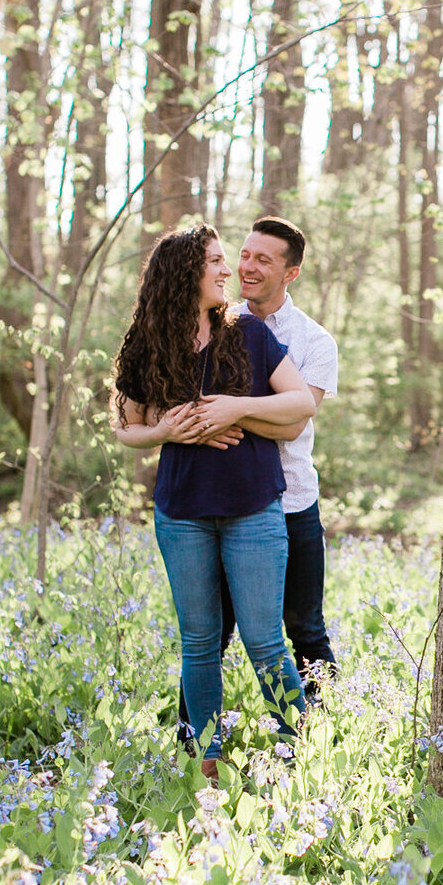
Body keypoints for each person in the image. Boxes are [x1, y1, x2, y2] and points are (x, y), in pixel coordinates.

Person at [113, 225, 315, 777]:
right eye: (216, 262)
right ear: (185, 273)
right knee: (199, 641)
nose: (228, 272)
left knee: (264, 640)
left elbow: (300, 402)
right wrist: (165, 434)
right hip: (182, 514)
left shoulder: (248, 334)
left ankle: (300, 755)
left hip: (253, 507)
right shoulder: (148, 343)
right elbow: (127, 428)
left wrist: (230, 407)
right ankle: (206, 760)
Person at [176, 214, 339, 714]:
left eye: (263, 260)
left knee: (304, 627)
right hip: (228, 502)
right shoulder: (211, 325)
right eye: (244, 254)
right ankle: (193, 738)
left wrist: (230, 412)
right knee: (211, 632)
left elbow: (293, 424)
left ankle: (329, 728)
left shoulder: (314, 342)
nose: (247, 267)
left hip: (292, 501)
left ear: (290, 273)